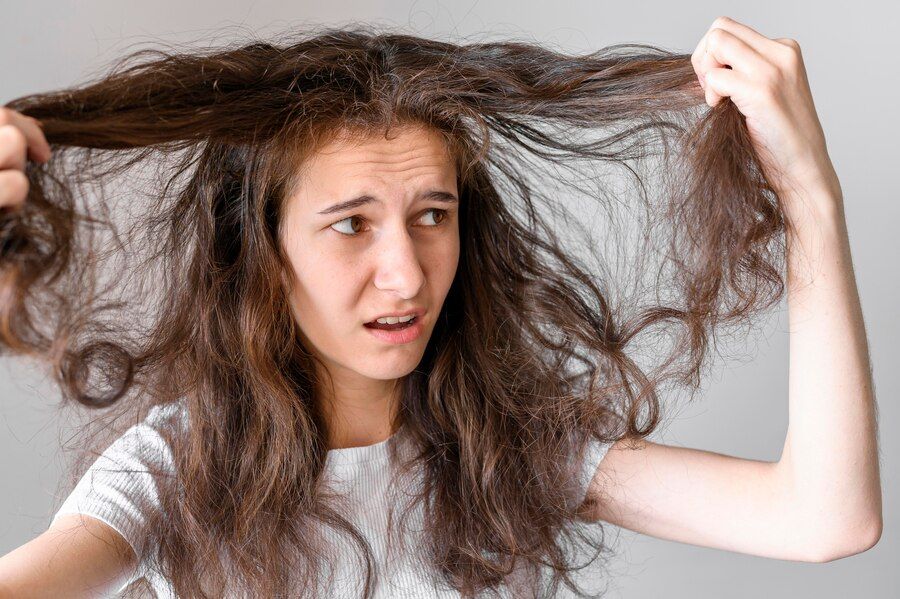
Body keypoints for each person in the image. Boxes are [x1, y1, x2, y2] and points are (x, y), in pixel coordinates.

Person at [0, 15, 882, 598]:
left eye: (433, 216)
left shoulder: (512, 449)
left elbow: (823, 517)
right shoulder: (169, 474)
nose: (408, 274)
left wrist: (809, 194)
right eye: (351, 225)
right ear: (262, 258)